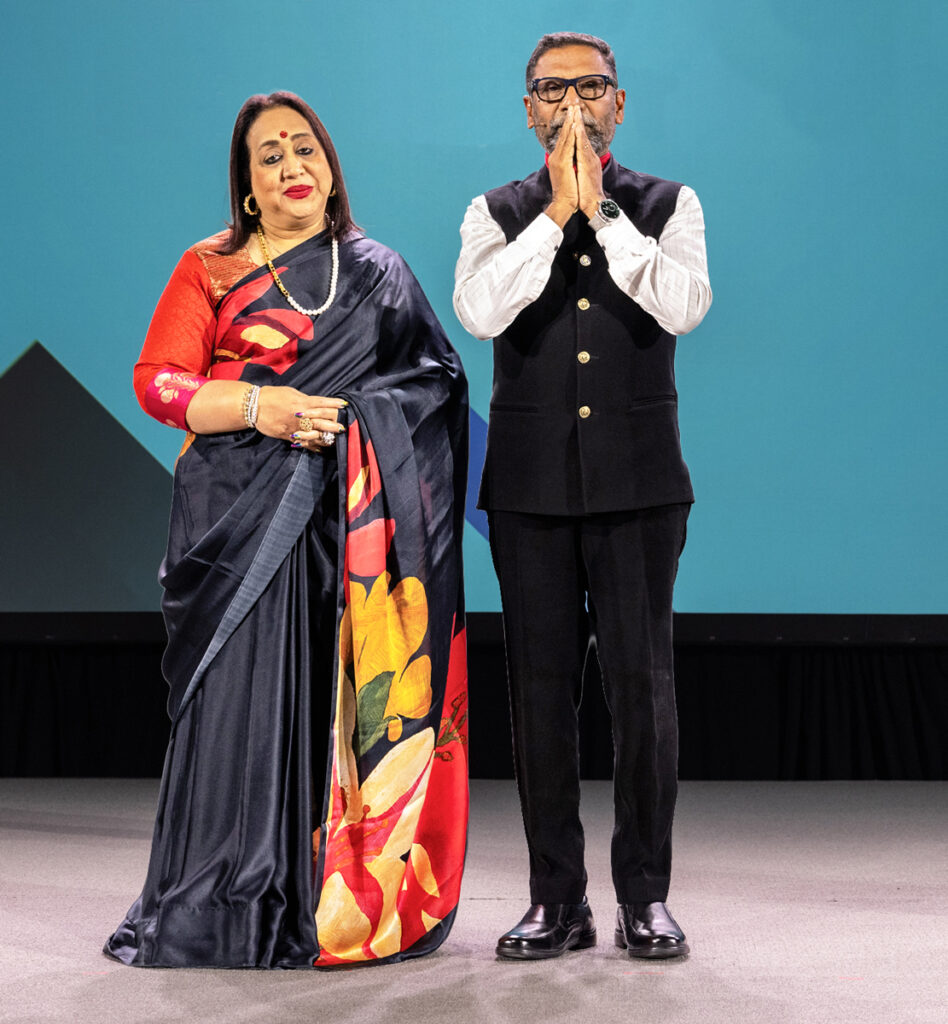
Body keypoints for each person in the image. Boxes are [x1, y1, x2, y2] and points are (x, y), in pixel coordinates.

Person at [105, 91, 469, 969]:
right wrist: (257, 407)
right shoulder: (210, 266)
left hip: (348, 527)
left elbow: (437, 384)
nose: (291, 167)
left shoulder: (378, 271)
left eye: (304, 149)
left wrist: (356, 422)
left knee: (329, 701)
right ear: (246, 186)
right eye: (268, 157)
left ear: (331, 169)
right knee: (238, 705)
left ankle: (327, 898)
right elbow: (158, 381)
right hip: (235, 519)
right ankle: (223, 896)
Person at [453, 33, 711, 960]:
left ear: (619, 103)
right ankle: (556, 900)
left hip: (640, 485)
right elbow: (480, 310)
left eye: (590, 87)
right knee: (541, 694)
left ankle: (645, 896)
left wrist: (599, 213)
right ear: (528, 109)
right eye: (551, 89)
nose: (572, 103)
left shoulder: (670, 204)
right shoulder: (493, 212)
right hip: (530, 490)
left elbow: (685, 304)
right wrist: (556, 215)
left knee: (644, 692)